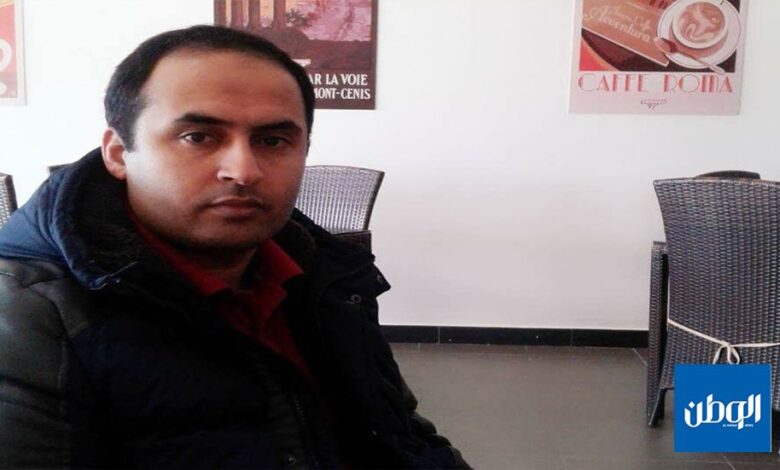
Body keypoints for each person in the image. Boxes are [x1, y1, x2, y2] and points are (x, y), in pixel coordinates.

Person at [0, 25, 469, 469]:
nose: (243, 171)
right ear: (119, 153)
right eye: (198, 137)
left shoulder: (329, 278)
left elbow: (403, 435)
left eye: (273, 140)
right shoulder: (28, 319)